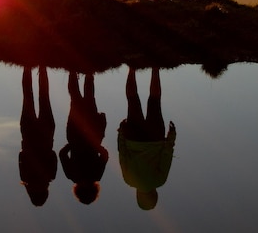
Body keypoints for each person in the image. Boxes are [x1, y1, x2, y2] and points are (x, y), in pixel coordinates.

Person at [117, 67, 176, 210]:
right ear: (138, 196)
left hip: (155, 138)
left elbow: (166, 156)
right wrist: (121, 133)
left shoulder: (159, 181)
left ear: (154, 195)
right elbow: (122, 154)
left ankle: (155, 68)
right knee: (132, 99)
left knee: (154, 100)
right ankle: (132, 68)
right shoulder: (128, 180)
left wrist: (171, 137)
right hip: (134, 139)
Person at [59, 72, 109, 204]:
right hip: (77, 134)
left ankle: (87, 70)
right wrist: (73, 143)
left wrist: (93, 143)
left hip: (89, 133)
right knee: (77, 98)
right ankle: (74, 70)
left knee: (86, 98)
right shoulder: (73, 175)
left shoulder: (94, 175)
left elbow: (104, 155)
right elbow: (62, 154)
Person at [18, 66, 57, 206]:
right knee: (27, 96)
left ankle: (42, 65)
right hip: (28, 134)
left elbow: (53, 155)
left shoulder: (50, 176)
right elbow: (21, 155)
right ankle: (26, 66)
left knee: (44, 96)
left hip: (46, 135)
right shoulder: (25, 177)